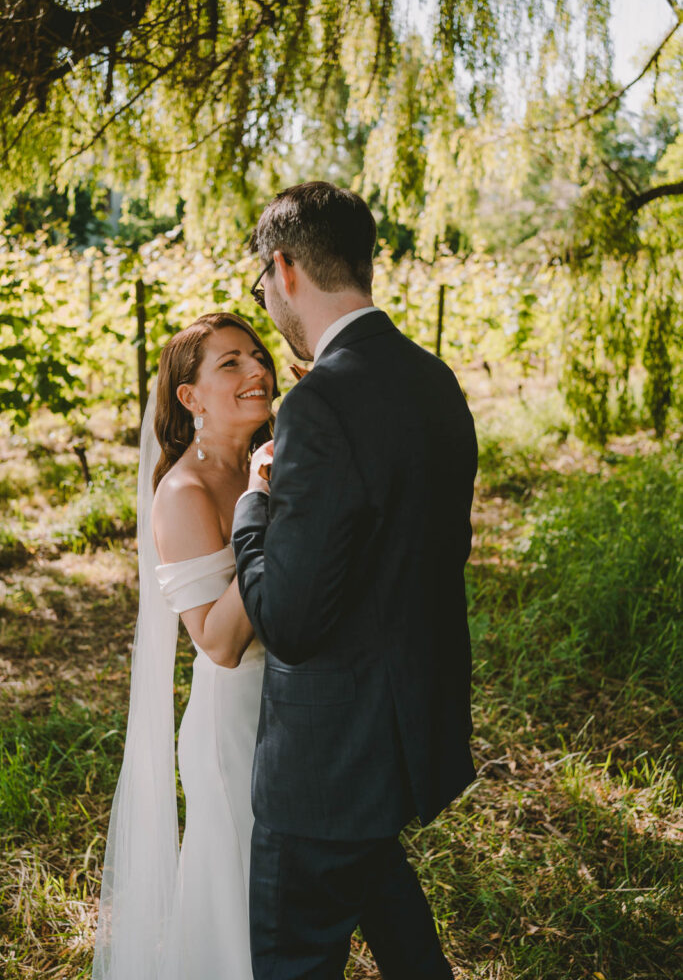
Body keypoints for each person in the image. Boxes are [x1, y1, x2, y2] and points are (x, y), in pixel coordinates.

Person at [232, 181, 478, 979]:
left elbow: (291, 620)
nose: (265, 299)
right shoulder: (434, 380)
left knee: (291, 959)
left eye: (260, 284)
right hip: (403, 739)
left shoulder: (322, 402)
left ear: (283, 268)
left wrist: (253, 507)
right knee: (404, 938)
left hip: (323, 769)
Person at [92, 312, 278, 980]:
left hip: (298, 707)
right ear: (190, 397)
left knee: (287, 906)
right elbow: (219, 642)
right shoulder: (185, 492)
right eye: (230, 363)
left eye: (258, 355)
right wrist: (265, 508)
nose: (258, 370)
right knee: (237, 905)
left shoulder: (279, 459)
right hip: (235, 725)